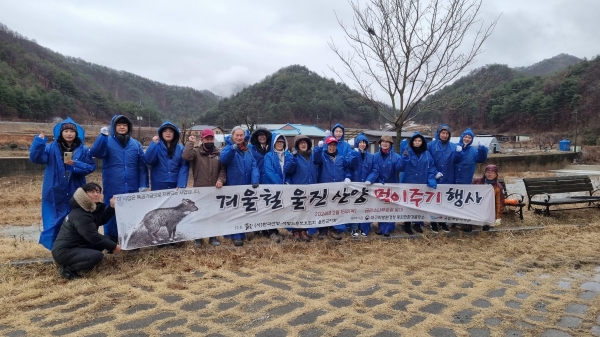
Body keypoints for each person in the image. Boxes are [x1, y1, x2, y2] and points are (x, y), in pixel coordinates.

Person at [30, 117, 96, 250]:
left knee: (75, 219)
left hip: (75, 189)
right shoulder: (51, 148)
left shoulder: (82, 149)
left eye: (72, 131)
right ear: (61, 133)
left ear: (76, 133)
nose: (69, 134)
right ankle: (57, 248)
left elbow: (90, 167)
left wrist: (76, 165)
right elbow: (37, 158)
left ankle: (76, 246)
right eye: (66, 131)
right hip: (54, 189)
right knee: (54, 219)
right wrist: (39, 143)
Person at [90, 115, 149, 243]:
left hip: (132, 185)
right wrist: (102, 137)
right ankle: (111, 239)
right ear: (113, 127)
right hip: (113, 184)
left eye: (125, 125)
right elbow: (96, 153)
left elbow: (142, 166)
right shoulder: (107, 141)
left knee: (132, 211)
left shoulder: (135, 144)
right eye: (119, 125)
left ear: (129, 127)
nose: (122, 127)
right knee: (112, 210)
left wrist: (143, 183)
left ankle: (131, 239)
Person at [52, 183, 121, 280]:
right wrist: (114, 246)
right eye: (92, 192)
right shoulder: (81, 215)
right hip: (65, 252)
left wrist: (111, 207)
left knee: (108, 239)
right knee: (97, 256)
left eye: (98, 192)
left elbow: (99, 220)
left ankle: (84, 262)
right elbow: (93, 237)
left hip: (78, 245)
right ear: (84, 194)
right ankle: (68, 269)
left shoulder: (86, 209)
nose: (96, 194)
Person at [182, 128, 226, 246]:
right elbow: (186, 157)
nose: (209, 140)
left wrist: (221, 180)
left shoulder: (219, 153)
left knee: (213, 214)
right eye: (207, 138)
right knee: (199, 214)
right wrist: (190, 143)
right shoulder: (196, 152)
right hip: (199, 189)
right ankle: (198, 238)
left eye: (211, 138)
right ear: (202, 140)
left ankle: (213, 237)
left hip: (215, 190)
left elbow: (223, 170)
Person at [220, 126, 260, 246]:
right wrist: (232, 149)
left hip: (247, 184)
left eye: (241, 135)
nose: (239, 137)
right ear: (232, 136)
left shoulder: (247, 150)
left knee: (244, 209)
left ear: (244, 136)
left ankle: (242, 232)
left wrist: (255, 178)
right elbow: (224, 159)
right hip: (233, 185)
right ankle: (236, 235)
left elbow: (254, 165)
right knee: (235, 210)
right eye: (236, 135)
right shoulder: (228, 148)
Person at [311, 136, 350, 240]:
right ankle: (323, 230)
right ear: (326, 146)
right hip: (324, 187)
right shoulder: (322, 156)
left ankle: (333, 228)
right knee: (324, 208)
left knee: (335, 208)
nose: (332, 147)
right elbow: (316, 158)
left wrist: (348, 177)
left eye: (333, 145)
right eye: (330, 145)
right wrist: (318, 148)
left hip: (337, 188)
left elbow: (347, 169)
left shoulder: (341, 158)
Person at [399, 132, 437, 235]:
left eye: (419, 140)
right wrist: (404, 153)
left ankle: (417, 223)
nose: (417, 142)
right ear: (412, 142)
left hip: (421, 182)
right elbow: (401, 165)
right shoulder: (408, 152)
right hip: (408, 182)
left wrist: (431, 180)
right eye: (415, 140)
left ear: (422, 142)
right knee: (408, 204)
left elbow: (431, 168)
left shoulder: (427, 154)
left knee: (419, 204)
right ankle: (407, 224)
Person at [365, 135, 402, 237]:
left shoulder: (396, 157)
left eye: (387, 142)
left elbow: (400, 168)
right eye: (383, 142)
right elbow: (374, 170)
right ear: (380, 143)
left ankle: (389, 227)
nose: (385, 143)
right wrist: (371, 180)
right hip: (379, 185)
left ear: (391, 144)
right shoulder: (375, 156)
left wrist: (405, 159)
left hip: (392, 184)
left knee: (391, 206)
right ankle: (381, 226)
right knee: (381, 206)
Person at [427, 124, 461, 233]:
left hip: (448, 177)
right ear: (439, 133)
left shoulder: (453, 146)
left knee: (444, 201)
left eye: (447, 133)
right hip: (434, 177)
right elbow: (428, 160)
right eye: (443, 133)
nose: (444, 135)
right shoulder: (431, 145)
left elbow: (456, 161)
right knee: (433, 201)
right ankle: (433, 223)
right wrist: (434, 172)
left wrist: (459, 153)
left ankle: (443, 222)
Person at [284, 135, 318, 241]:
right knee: (297, 210)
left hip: (311, 186)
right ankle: (295, 231)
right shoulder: (292, 156)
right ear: (297, 145)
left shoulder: (312, 156)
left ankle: (304, 230)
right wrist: (292, 158)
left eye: (305, 143)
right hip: (298, 188)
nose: (303, 144)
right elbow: (288, 170)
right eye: (301, 143)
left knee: (307, 210)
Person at [144, 121, 189, 191]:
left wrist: (181, 184)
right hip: (158, 185)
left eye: (171, 131)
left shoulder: (180, 149)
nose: (168, 133)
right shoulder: (156, 146)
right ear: (161, 133)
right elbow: (148, 161)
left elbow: (184, 166)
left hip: (175, 185)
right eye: (165, 131)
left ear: (175, 134)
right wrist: (153, 145)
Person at [345, 133, 374, 237]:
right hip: (354, 185)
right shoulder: (351, 153)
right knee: (354, 207)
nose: (362, 144)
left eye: (364, 142)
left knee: (366, 207)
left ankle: (364, 228)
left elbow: (375, 169)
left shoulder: (371, 156)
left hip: (366, 186)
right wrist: (354, 155)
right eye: (360, 142)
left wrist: (370, 179)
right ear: (357, 143)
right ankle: (354, 228)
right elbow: (349, 166)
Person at [472, 164, 504, 231]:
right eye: (488, 172)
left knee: (486, 226)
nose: (490, 174)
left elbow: (499, 203)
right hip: (476, 205)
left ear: (496, 175)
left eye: (492, 173)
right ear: (485, 173)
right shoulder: (477, 182)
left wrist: (498, 217)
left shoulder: (498, 188)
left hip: (488, 208)